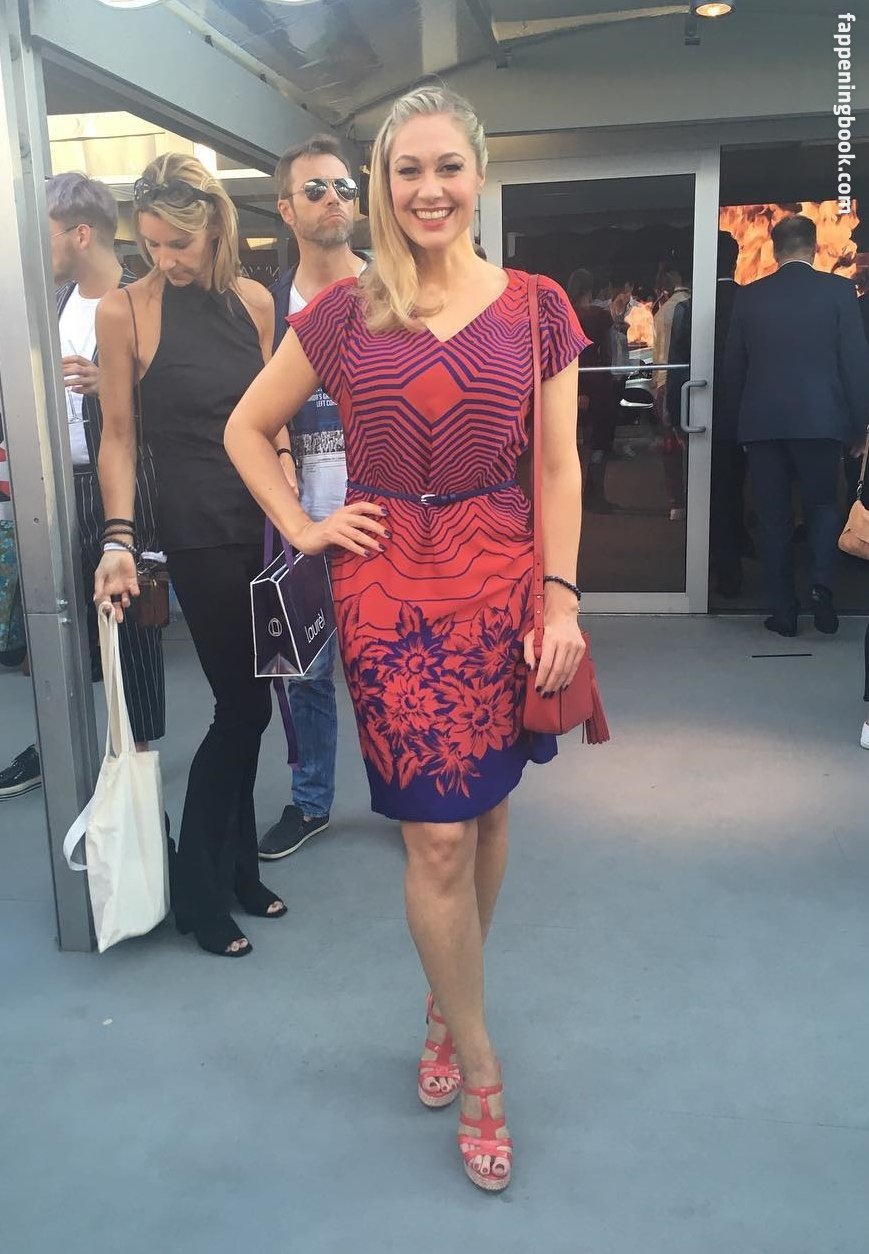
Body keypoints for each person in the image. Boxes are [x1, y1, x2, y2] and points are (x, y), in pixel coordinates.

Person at [225, 85, 586, 1193]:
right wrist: (304, 525)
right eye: (405, 170)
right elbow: (246, 426)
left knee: (486, 812)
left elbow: (557, 465)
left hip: (502, 578)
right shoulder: (344, 312)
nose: (427, 190)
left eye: (446, 167)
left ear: (478, 175)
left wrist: (562, 599)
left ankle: (445, 999)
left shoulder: (534, 306)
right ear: (381, 186)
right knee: (433, 836)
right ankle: (479, 1064)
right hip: (386, 588)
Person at [93, 153, 293, 958]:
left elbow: (271, 413)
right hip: (198, 528)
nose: (164, 259)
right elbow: (117, 436)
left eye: (177, 242)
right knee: (240, 707)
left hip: (264, 525)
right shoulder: (124, 311)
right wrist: (118, 535)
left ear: (214, 227)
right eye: (150, 243)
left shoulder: (254, 302)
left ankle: (237, 871)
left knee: (255, 704)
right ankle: (199, 889)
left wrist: (293, 492)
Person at [0, 173, 167, 798]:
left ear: (80, 233)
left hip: (120, 489)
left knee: (133, 629)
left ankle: (136, 762)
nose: (29, 249)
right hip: (50, 488)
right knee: (53, 625)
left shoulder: (144, 299)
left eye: (39, 234)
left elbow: (186, 399)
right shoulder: (52, 303)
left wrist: (114, 385)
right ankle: (57, 744)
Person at [257, 135, 367, 860]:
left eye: (344, 187)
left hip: (385, 520)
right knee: (303, 674)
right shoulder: (263, 306)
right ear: (286, 208)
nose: (333, 199)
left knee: (392, 667)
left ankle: (413, 794)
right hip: (297, 524)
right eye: (316, 189)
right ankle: (310, 801)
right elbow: (247, 410)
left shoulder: (392, 290)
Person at [724, 214, 869, 636]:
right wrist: (861, 426)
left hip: (763, 425)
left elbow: (734, 368)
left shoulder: (749, 298)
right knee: (822, 507)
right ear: (814, 246)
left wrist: (736, 427)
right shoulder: (839, 292)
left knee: (773, 519)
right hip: (822, 421)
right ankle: (822, 588)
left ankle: (783, 611)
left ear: (774, 250)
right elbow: (855, 363)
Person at [667, 232, 748, 593]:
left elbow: (678, 366)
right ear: (735, 260)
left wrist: (676, 414)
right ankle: (732, 567)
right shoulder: (749, 302)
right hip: (744, 415)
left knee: (706, 494)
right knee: (735, 490)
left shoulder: (691, 308)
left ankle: (709, 565)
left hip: (700, 414)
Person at [567, 267, 617, 511]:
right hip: (598, 385)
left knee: (578, 443)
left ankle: (576, 495)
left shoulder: (565, 314)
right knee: (599, 442)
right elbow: (608, 352)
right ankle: (595, 495)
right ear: (591, 290)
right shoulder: (600, 317)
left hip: (571, 385)